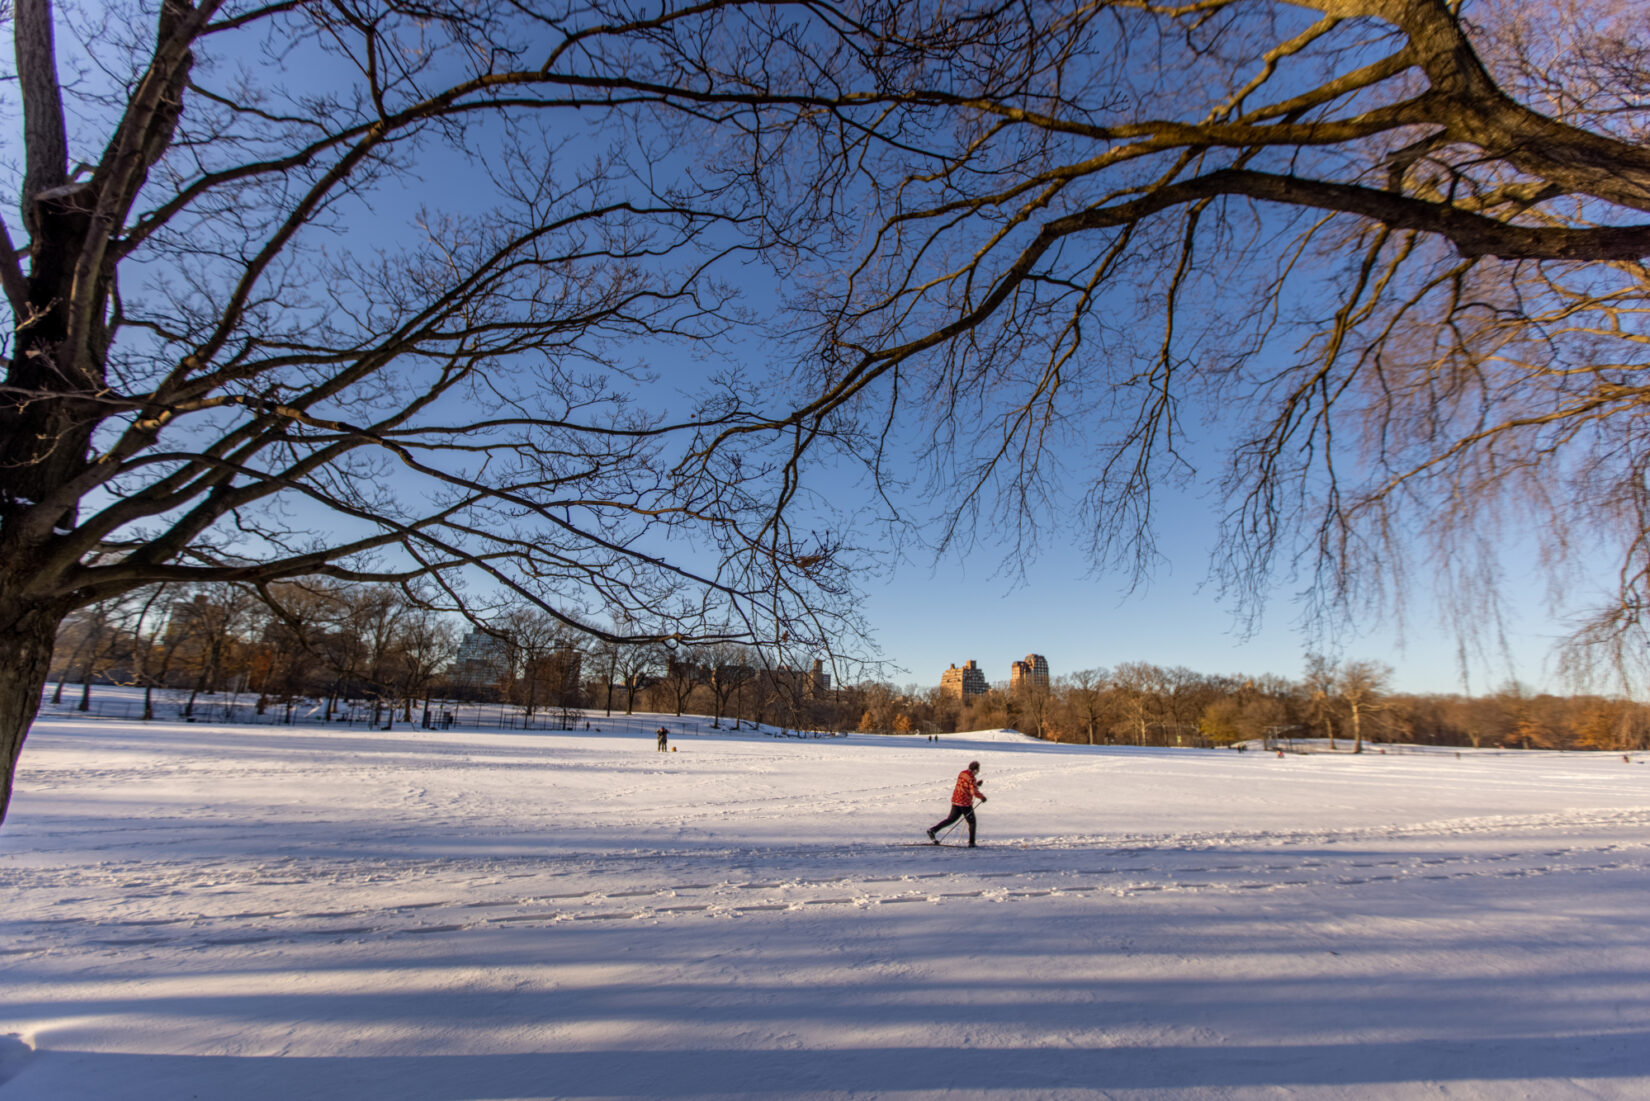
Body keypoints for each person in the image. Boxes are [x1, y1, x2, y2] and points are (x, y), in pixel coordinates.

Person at [927, 760, 986, 847]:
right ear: (975, 770)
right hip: (965, 803)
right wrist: (982, 797)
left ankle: (933, 830)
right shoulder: (972, 778)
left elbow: (965, 786)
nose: (978, 772)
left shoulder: (962, 773)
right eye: (978, 770)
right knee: (972, 822)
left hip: (956, 800)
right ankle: (972, 843)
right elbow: (973, 792)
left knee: (951, 819)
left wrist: (976, 785)